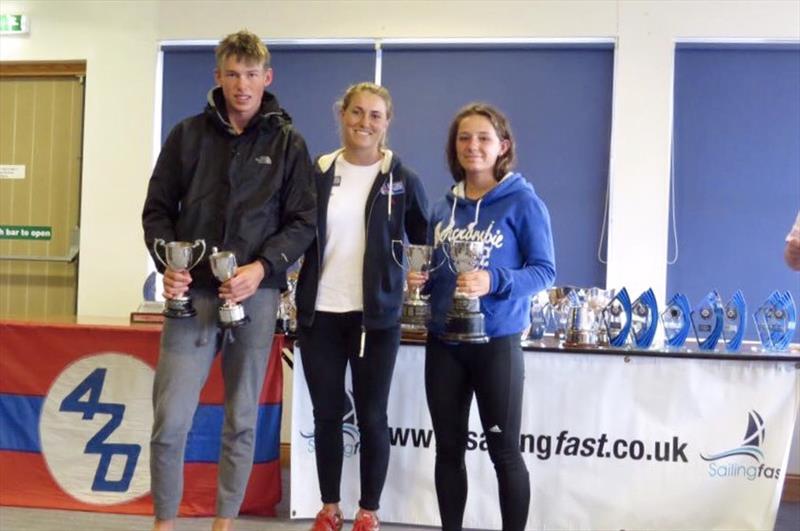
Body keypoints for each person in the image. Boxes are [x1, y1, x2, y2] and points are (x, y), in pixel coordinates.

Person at [142, 30, 316, 531]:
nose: (243, 85)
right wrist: (167, 264)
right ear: (218, 77)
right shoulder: (186, 136)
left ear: (268, 78)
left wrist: (261, 269)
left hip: (255, 297)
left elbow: (303, 221)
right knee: (170, 420)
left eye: (251, 75)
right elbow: (157, 213)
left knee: (241, 420)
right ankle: (163, 522)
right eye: (233, 74)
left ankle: (224, 522)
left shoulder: (289, 143)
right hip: (191, 298)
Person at [408, 103, 555, 531]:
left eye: (483, 138)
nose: (473, 146)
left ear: (502, 146)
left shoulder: (524, 203)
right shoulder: (441, 208)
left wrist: (494, 281)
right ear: (454, 148)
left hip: (497, 343)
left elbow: (544, 271)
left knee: (504, 451)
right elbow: (442, 270)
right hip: (444, 343)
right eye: (464, 138)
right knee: (447, 450)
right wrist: (423, 276)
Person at [295, 82, 429, 531]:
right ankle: (329, 507)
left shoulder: (401, 179)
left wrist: (417, 273)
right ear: (342, 116)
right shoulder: (317, 172)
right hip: (320, 314)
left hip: (377, 317)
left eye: (375, 115)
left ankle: (368, 510)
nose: (364, 123)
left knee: (372, 415)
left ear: (387, 122)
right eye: (356, 113)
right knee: (326, 413)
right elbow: (294, 229)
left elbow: (424, 239)